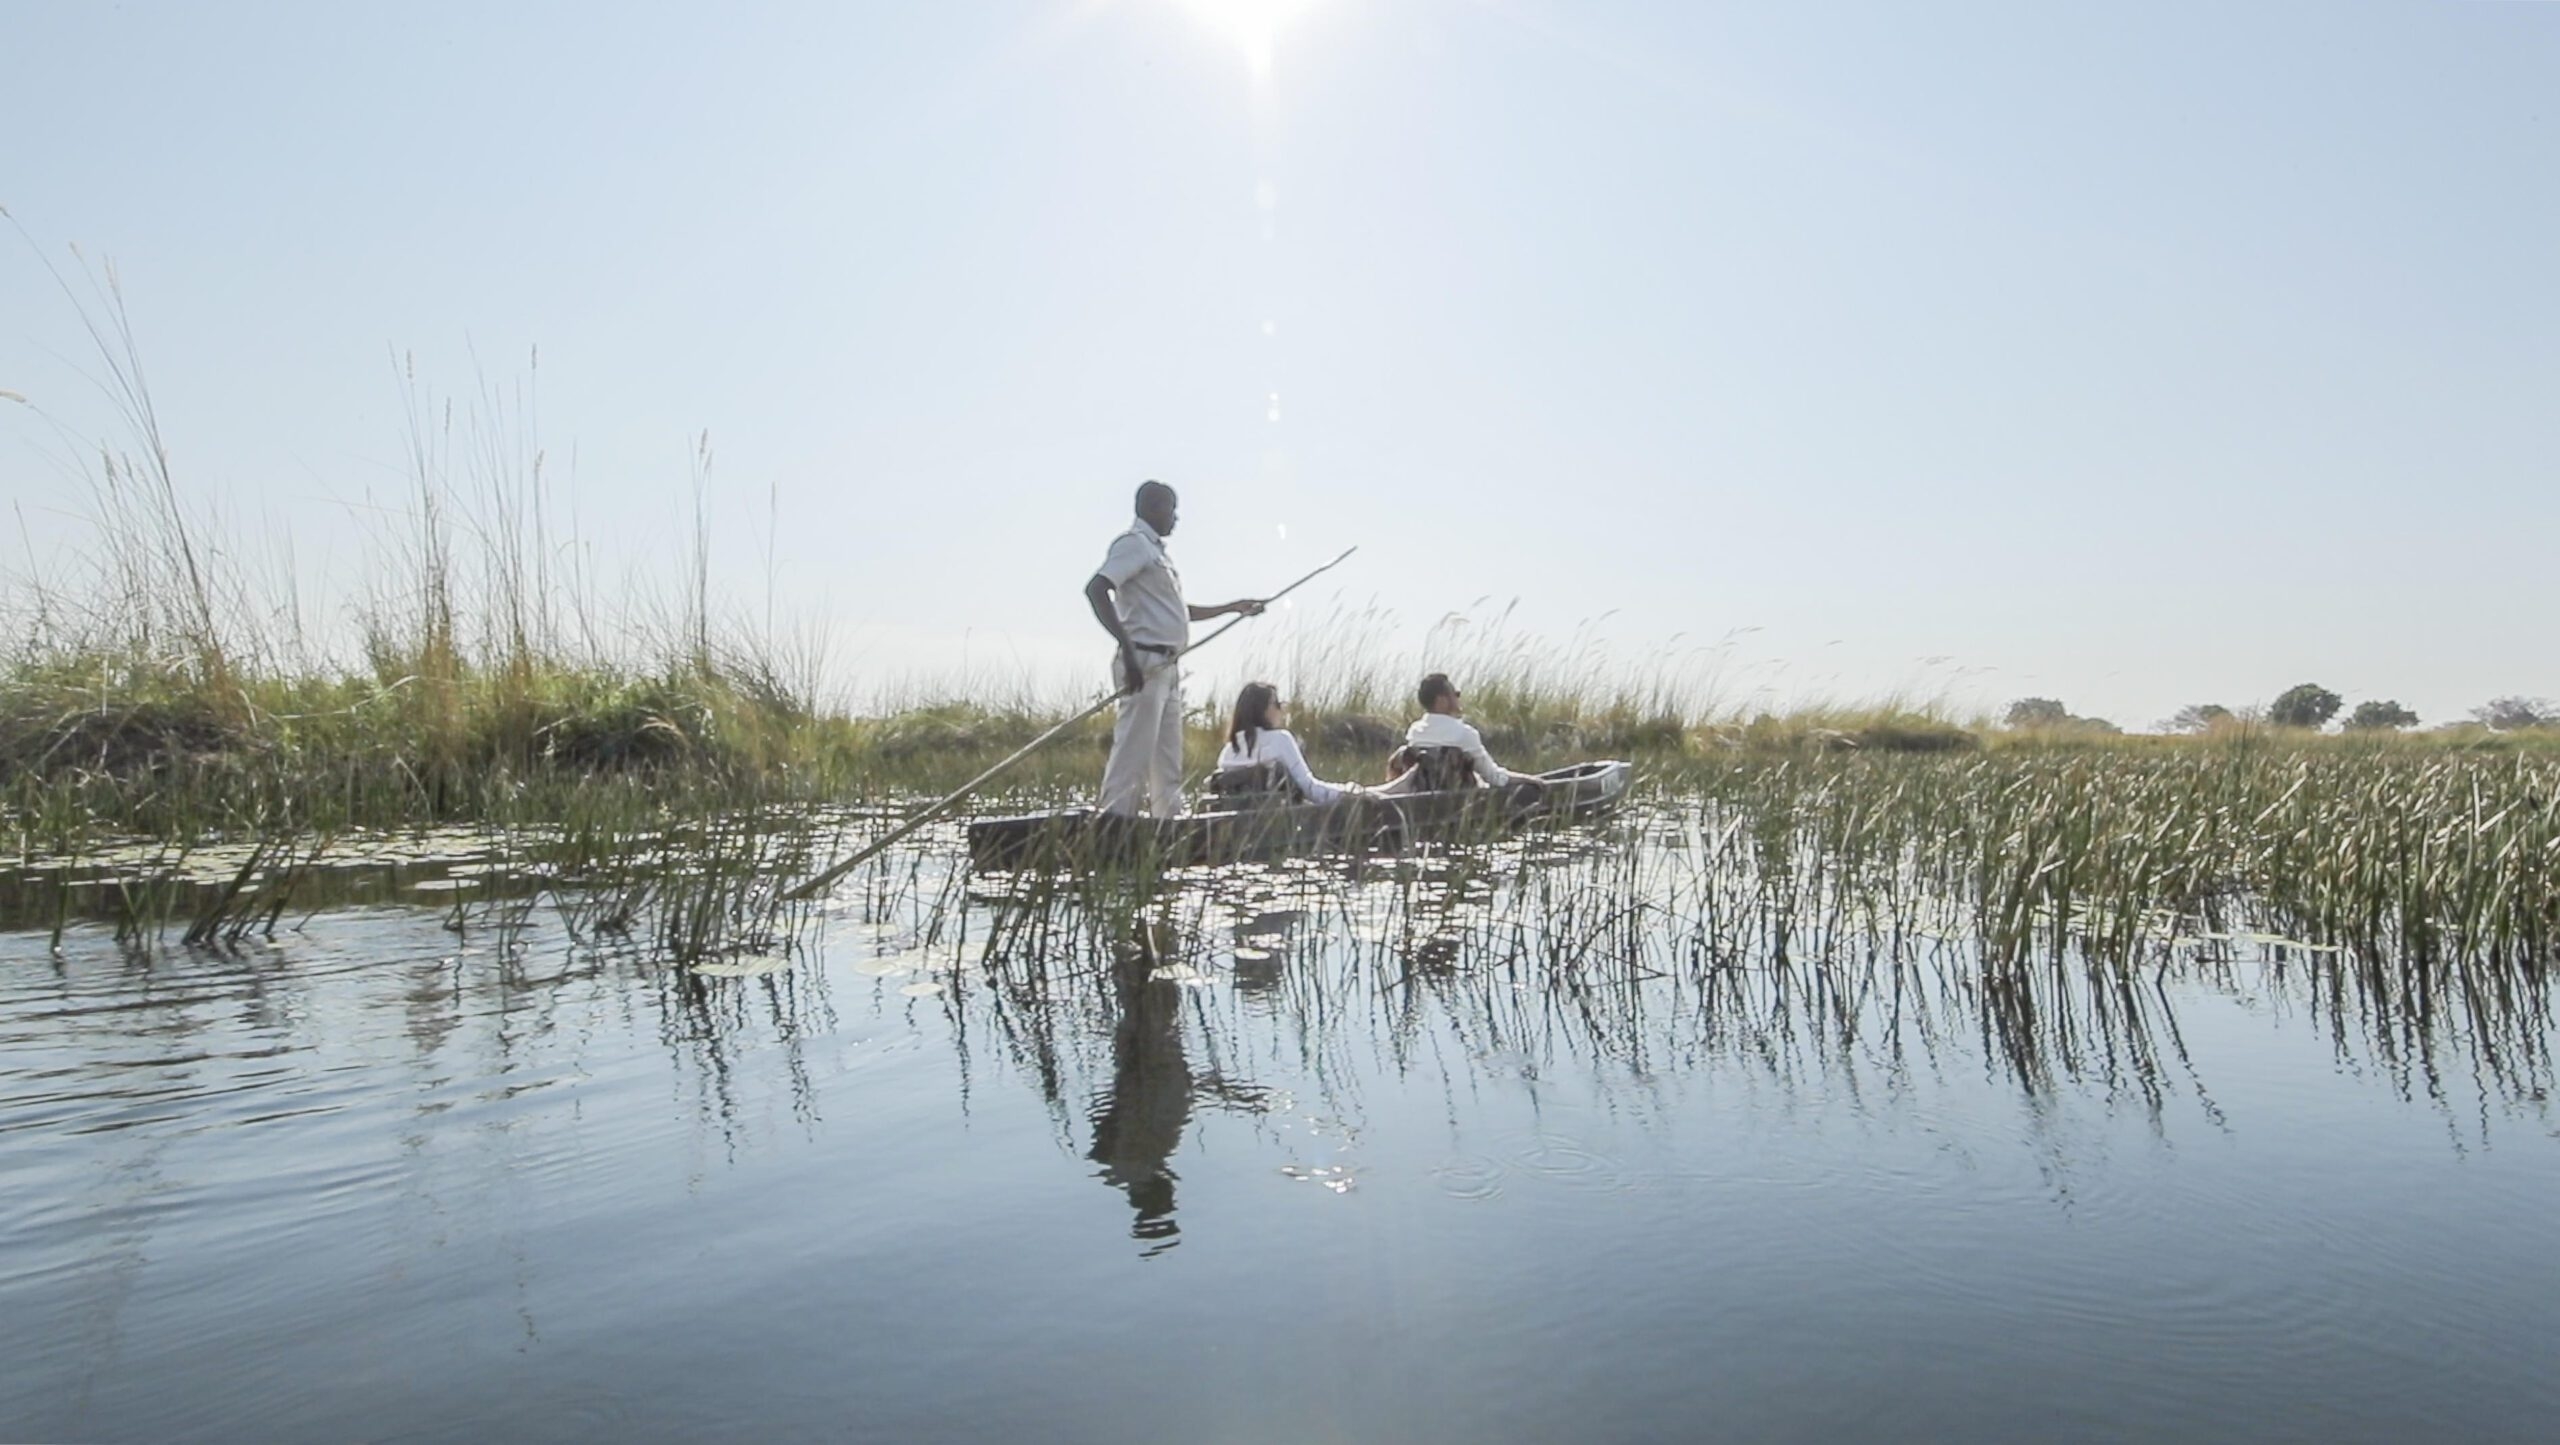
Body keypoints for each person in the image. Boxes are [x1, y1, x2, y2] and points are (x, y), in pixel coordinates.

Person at [1084, 481, 1265, 817]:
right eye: (1172, 508)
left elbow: (1180, 611)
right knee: (1133, 751)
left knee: (1168, 757)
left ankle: (1169, 823)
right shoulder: (1133, 545)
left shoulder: (1158, 554)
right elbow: (1097, 589)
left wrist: (1233, 607)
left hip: (1167, 666)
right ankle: (1114, 822)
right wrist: (1127, 651)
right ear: (1151, 507)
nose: (1176, 518)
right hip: (1144, 661)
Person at [1380, 672, 1539, 793]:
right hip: (1460, 803)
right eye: (1455, 694)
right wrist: (1529, 779)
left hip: (1421, 801)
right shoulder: (1464, 734)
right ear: (1442, 700)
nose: (1458, 698)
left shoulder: (1415, 732)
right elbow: (1494, 777)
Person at [1214, 681, 1361, 804]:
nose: (1281, 709)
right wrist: (1352, 791)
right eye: (1276, 704)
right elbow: (1310, 789)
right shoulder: (1280, 740)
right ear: (1262, 710)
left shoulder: (1228, 752)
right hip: (1286, 827)